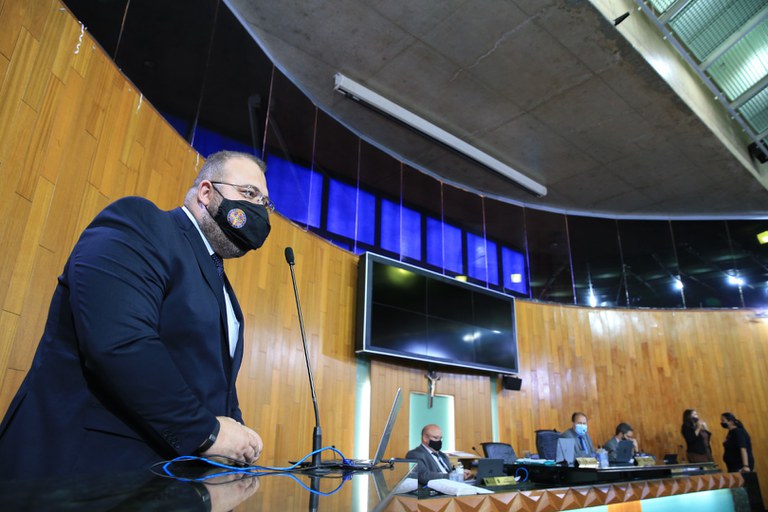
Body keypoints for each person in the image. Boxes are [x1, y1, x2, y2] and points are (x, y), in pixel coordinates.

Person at [0, 150, 273, 479]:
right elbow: (121, 343)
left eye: (265, 203)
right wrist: (210, 433)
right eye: (249, 193)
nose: (259, 209)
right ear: (206, 192)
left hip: (167, 482)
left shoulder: (224, 289)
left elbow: (212, 381)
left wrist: (239, 435)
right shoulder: (142, 223)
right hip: (78, 472)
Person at [405, 424, 472, 485]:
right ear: (425, 438)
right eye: (436, 438)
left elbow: (449, 472)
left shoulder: (442, 455)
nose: (439, 441)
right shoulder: (414, 454)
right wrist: (453, 476)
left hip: (452, 486)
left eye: (440, 438)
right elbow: (424, 476)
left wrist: (460, 473)